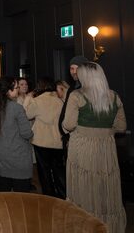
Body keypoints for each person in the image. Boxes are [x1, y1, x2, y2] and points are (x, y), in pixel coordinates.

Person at [62, 62, 126, 232]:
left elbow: (68, 124)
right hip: (106, 149)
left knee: (84, 185)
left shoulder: (77, 95)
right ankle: (107, 226)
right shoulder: (114, 96)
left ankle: (84, 225)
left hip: (82, 146)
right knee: (105, 186)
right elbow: (121, 127)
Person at [0, 76, 33, 192]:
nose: (18, 90)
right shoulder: (17, 108)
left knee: (3, 194)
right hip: (18, 157)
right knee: (21, 197)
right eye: (16, 88)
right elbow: (27, 133)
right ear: (8, 91)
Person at [25, 77, 66, 198]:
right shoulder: (60, 100)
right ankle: (63, 196)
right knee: (59, 170)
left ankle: (49, 197)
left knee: (44, 171)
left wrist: (28, 99)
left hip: (41, 141)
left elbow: (27, 115)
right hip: (58, 141)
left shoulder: (37, 101)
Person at [57, 55, 88, 157]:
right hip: (70, 137)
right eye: (71, 68)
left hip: (81, 140)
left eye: (77, 68)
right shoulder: (73, 87)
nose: (74, 72)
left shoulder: (87, 88)